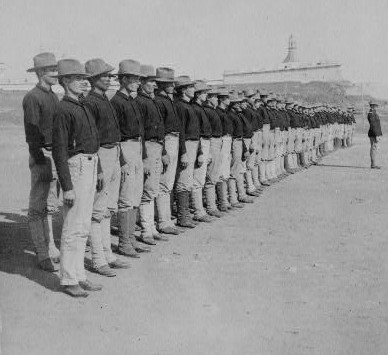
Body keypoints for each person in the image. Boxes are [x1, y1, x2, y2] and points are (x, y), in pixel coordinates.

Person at [52, 59, 104, 297]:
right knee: (73, 226)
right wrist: (67, 186)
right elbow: (59, 150)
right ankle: (68, 278)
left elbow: (94, 140)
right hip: (77, 167)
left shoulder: (82, 105)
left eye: (85, 78)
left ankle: (79, 274)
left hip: (90, 164)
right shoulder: (63, 109)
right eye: (77, 79)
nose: (84, 82)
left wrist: (99, 168)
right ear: (64, 81)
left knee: (83, 226)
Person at [84, 58, 130, 277]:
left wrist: (119, 159)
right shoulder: (90, 102)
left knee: (107, 209)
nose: (109, 79)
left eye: (110, 76)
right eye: (104, 76)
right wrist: (100, 168)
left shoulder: (104, 99)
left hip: (114, 152)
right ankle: (98, 260)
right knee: (97, 211)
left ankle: (108, 254)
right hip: (101, 154)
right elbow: (91, 138)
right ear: (93, 79)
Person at [23, 52, 60, 272]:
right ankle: (42, 253)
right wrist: (40, 161)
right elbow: (32, 134)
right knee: (37, 207)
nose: (56, 74)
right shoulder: (32, 97)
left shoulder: (53, 96)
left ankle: (51, 247)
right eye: (51, 70)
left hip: (54, 155)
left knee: (50, 205)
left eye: (56, 69)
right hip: (42, 156)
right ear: (40, 73)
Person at [110, 59, 150, 257]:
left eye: (139, 79)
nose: (137, 82)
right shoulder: (116, 102)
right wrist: (123, 160)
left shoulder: (132, 101)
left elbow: (140, 132)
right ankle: (124, 242)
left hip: (137, 148)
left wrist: (143, 156)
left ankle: (131, 238)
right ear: (123, 79)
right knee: (125, 198)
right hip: (125, 149)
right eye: (134, 79)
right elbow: (115, 134)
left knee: (135, 197)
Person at [136, 65, 169, 244]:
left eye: (155, 82)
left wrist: (163, 150)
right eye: (150, 82)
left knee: (153, 188)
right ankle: (145, 230)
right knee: (147, 189)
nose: (154, 85)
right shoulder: (140, 102)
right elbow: (140, 132)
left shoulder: (152, 100)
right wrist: (145, 156)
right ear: (141, 82)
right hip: (148, 146)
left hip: (157, 145)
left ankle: (151, 227)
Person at [154, 67, 181, 235]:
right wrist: (163, 150)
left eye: (172, 83)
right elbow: (159, 129)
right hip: (167, 141)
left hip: (174, 140)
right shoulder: (159, 101)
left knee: (168, 183)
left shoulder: (168, 100)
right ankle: (163, 221)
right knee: (164, 183)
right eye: (168, 83)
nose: (172, 85)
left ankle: (165, 217)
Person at [174, 76, 200, 228]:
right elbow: (181, 131)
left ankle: (185, 214)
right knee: (183, 181)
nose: (193, 90)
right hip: (187, 145)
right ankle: (183, 217)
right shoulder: (180, 106)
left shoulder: (188, 105)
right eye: (190, 87)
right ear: (183, 90)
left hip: (193, 144)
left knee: (188, 181)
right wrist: (183, 151)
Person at [191, 81, 213, 222]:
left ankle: (200, 209)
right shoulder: (195, 109)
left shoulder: (201, 108)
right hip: (199, 144)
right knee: (197, 180)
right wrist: (200, 152)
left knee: (201, 179)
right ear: (198, 94)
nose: (207, 95)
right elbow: (196, 132)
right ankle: (198, 211)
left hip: (205, 143)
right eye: (204, 93)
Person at [367, 100, 382, 169]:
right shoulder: (371, 113)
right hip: (373, 133)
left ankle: (374, 164)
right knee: (373, 148)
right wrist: (376, 134)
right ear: (372, 106)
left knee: (374, 148)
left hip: (375, 133)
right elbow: (373, 125)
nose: (376, 107)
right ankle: (373, 164)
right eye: (375, 105)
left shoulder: (374, 113)